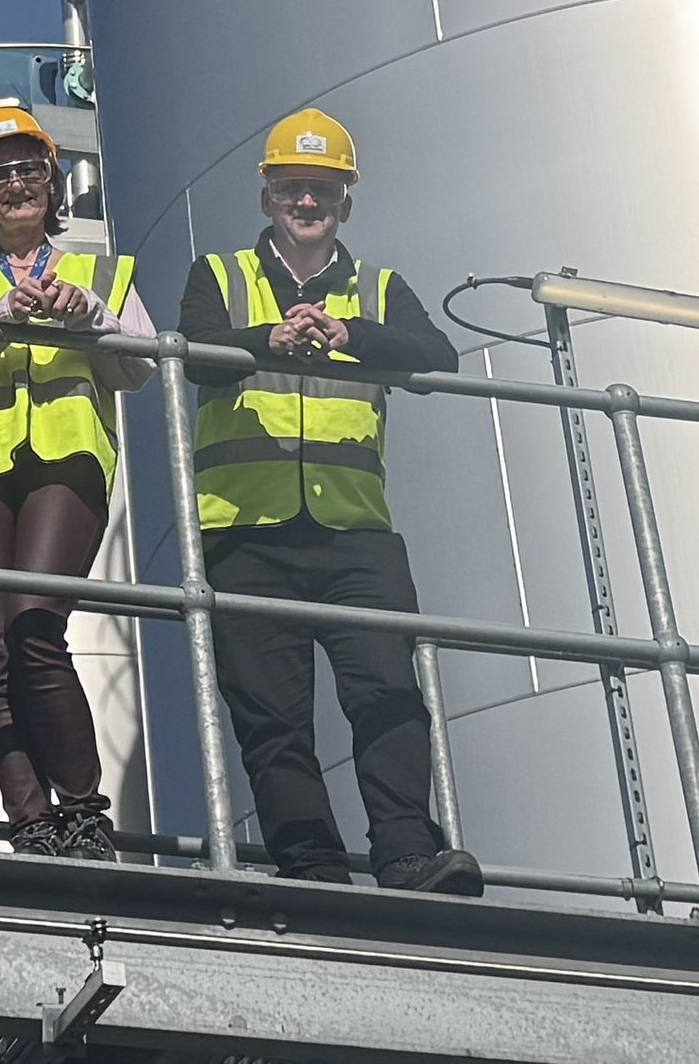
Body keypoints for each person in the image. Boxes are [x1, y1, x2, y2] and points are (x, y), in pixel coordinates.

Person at [178, 108, 483, 893]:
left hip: (355, 533)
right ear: (267, 199)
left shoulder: (378, 289)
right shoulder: (219, 277)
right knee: (271, 715)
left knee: (386, 693)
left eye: (321, 190)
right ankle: (311, 867)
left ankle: (408, 855)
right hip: (246, 531)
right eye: (291, 190)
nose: (306, 203)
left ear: (345, 201)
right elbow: (193, 359)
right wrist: (265, 340)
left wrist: (349, 333)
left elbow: (433, 355)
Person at [0, 106, 155, 858]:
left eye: (28, 169)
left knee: (35, 629)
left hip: (66, 463)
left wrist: (87, 317)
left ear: (53, 181)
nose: (16, 184)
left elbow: (141, 364)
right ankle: (31, 824)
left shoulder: (103, 274)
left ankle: (83, 813)